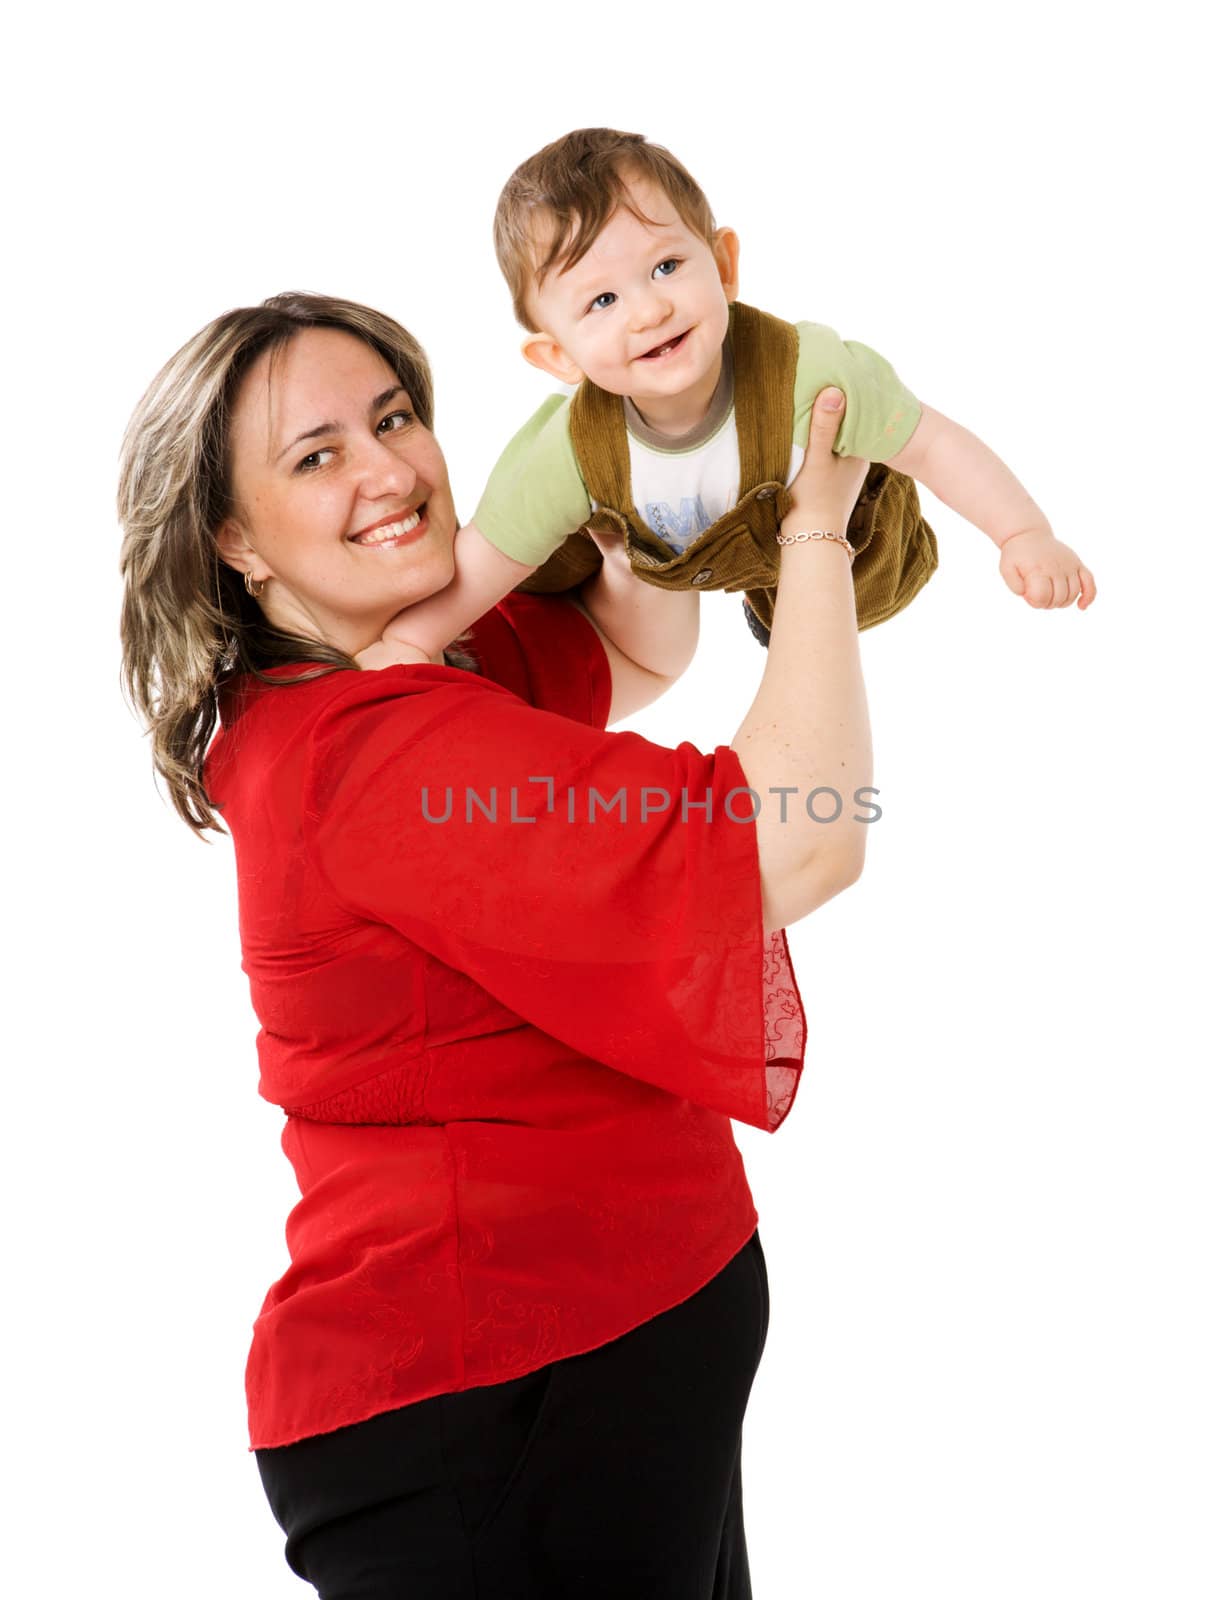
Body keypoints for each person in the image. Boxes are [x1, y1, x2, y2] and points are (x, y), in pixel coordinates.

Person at [118, 289, 874, 1599]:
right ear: (235, 538)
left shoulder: (386, 670)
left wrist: (649, 425)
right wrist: (814, 529)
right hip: (493, 1415)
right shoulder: (379, 757)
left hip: (606, 1379)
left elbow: (633, 640)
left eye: (394, 417)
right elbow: (800, 840)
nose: (390, 470)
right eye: (318, 455)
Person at [357, 126, 1095, 672]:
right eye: (603, 299)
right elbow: (488, 560)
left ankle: (781, 608)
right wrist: (411, 641)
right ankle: (610, 572)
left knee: (865, 570)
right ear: (558, 357)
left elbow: (934, 443)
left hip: (811, 528)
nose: (648, 311)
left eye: (668, 265)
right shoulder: (570, 454)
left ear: (725, 264)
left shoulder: (813, 378)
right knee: (541, 550)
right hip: (661, 548)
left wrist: (1023, 533)